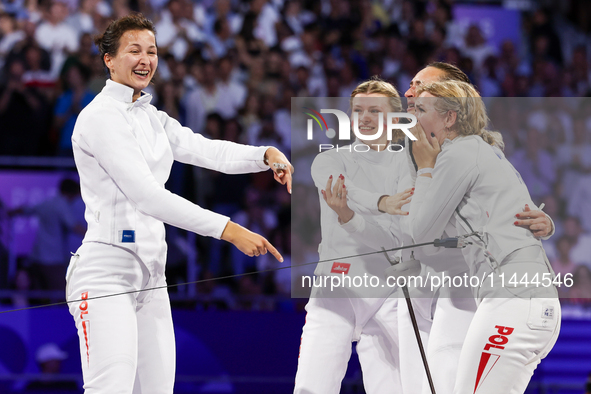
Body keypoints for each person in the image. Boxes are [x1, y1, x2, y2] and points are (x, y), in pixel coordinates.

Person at [66, 13, 292, 394]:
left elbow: (207, 150)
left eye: (151, 51)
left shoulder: (153, 118)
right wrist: (230, 230)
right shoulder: (99, 118)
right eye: (134, 50)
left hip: (152, 276)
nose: (145, 59)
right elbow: (148, 196)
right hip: (106, 272)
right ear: (109, 59)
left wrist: (265, 154)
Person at [408, 80, 560, 394]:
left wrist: (424, 168)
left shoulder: (461, 152)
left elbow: (421, 231)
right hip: (530, 301)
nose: (414, 117)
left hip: (514, 300)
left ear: (449, 118)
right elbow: (453, 235)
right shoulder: (485, 151)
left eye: (421, 110)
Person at [294, 78, 413, 394]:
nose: (365, 117)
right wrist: (382, 203)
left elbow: (393, 240)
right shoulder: (329, 159)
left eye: (375, 110)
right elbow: (344, 187)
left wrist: (348, 217)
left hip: (388, 291)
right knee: (311, 388)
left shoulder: (410, 166)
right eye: (358, 110)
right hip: (337, 287)